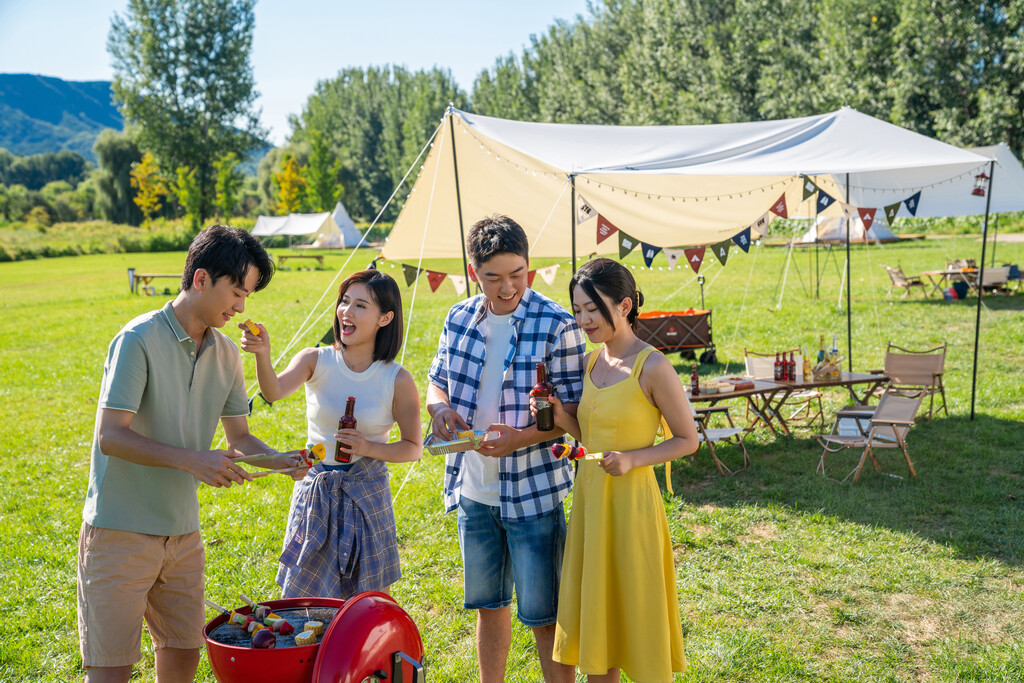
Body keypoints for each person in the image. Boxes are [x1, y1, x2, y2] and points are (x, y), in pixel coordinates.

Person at [78, 224, 295, 683]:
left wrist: (281, 461)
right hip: (120, 533)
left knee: (181, 659)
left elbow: (239, 439)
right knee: (110, 669)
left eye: (247, 296)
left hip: (183, 536)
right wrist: (193, 460)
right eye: (236, 292)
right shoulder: (137, 339)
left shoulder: (227, 355)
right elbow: (110, 437)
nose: (241, 307)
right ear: (200, 279)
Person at [426, 215, 586, 683]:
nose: (507, 286)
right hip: (474, 492)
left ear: (529, 266)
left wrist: (522, 438)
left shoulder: (557, 324)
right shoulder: (458, 317)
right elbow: (437, 382)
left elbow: (574, 415)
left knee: (544, 615)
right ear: (475, 271)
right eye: (494, 277)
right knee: (487, 606)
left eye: (518, 274)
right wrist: (439, 411)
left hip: (534, 492)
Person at [537, 257, 700, 683]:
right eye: (577, 310)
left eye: (593, 309)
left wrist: (633, 458)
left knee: (634, 607)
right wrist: (559, 415)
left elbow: (688, 440)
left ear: (624, 305)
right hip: (591, 501)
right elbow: (592, 439)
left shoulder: (654, 366)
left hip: (632, 506)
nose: (584, 319)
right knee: (600, 619)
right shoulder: (592, 364)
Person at [241, 269, 422, 599]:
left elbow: (412, 448)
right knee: (302, 596)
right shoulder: (316, 359)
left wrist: (367, 446)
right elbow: (274, 390)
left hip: (366, 494)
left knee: (366, 601)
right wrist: (262, 356)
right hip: (316, 490)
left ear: (385, 317)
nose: (346, 312)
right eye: (344, 302)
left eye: (360, 306)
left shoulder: (397, 379)